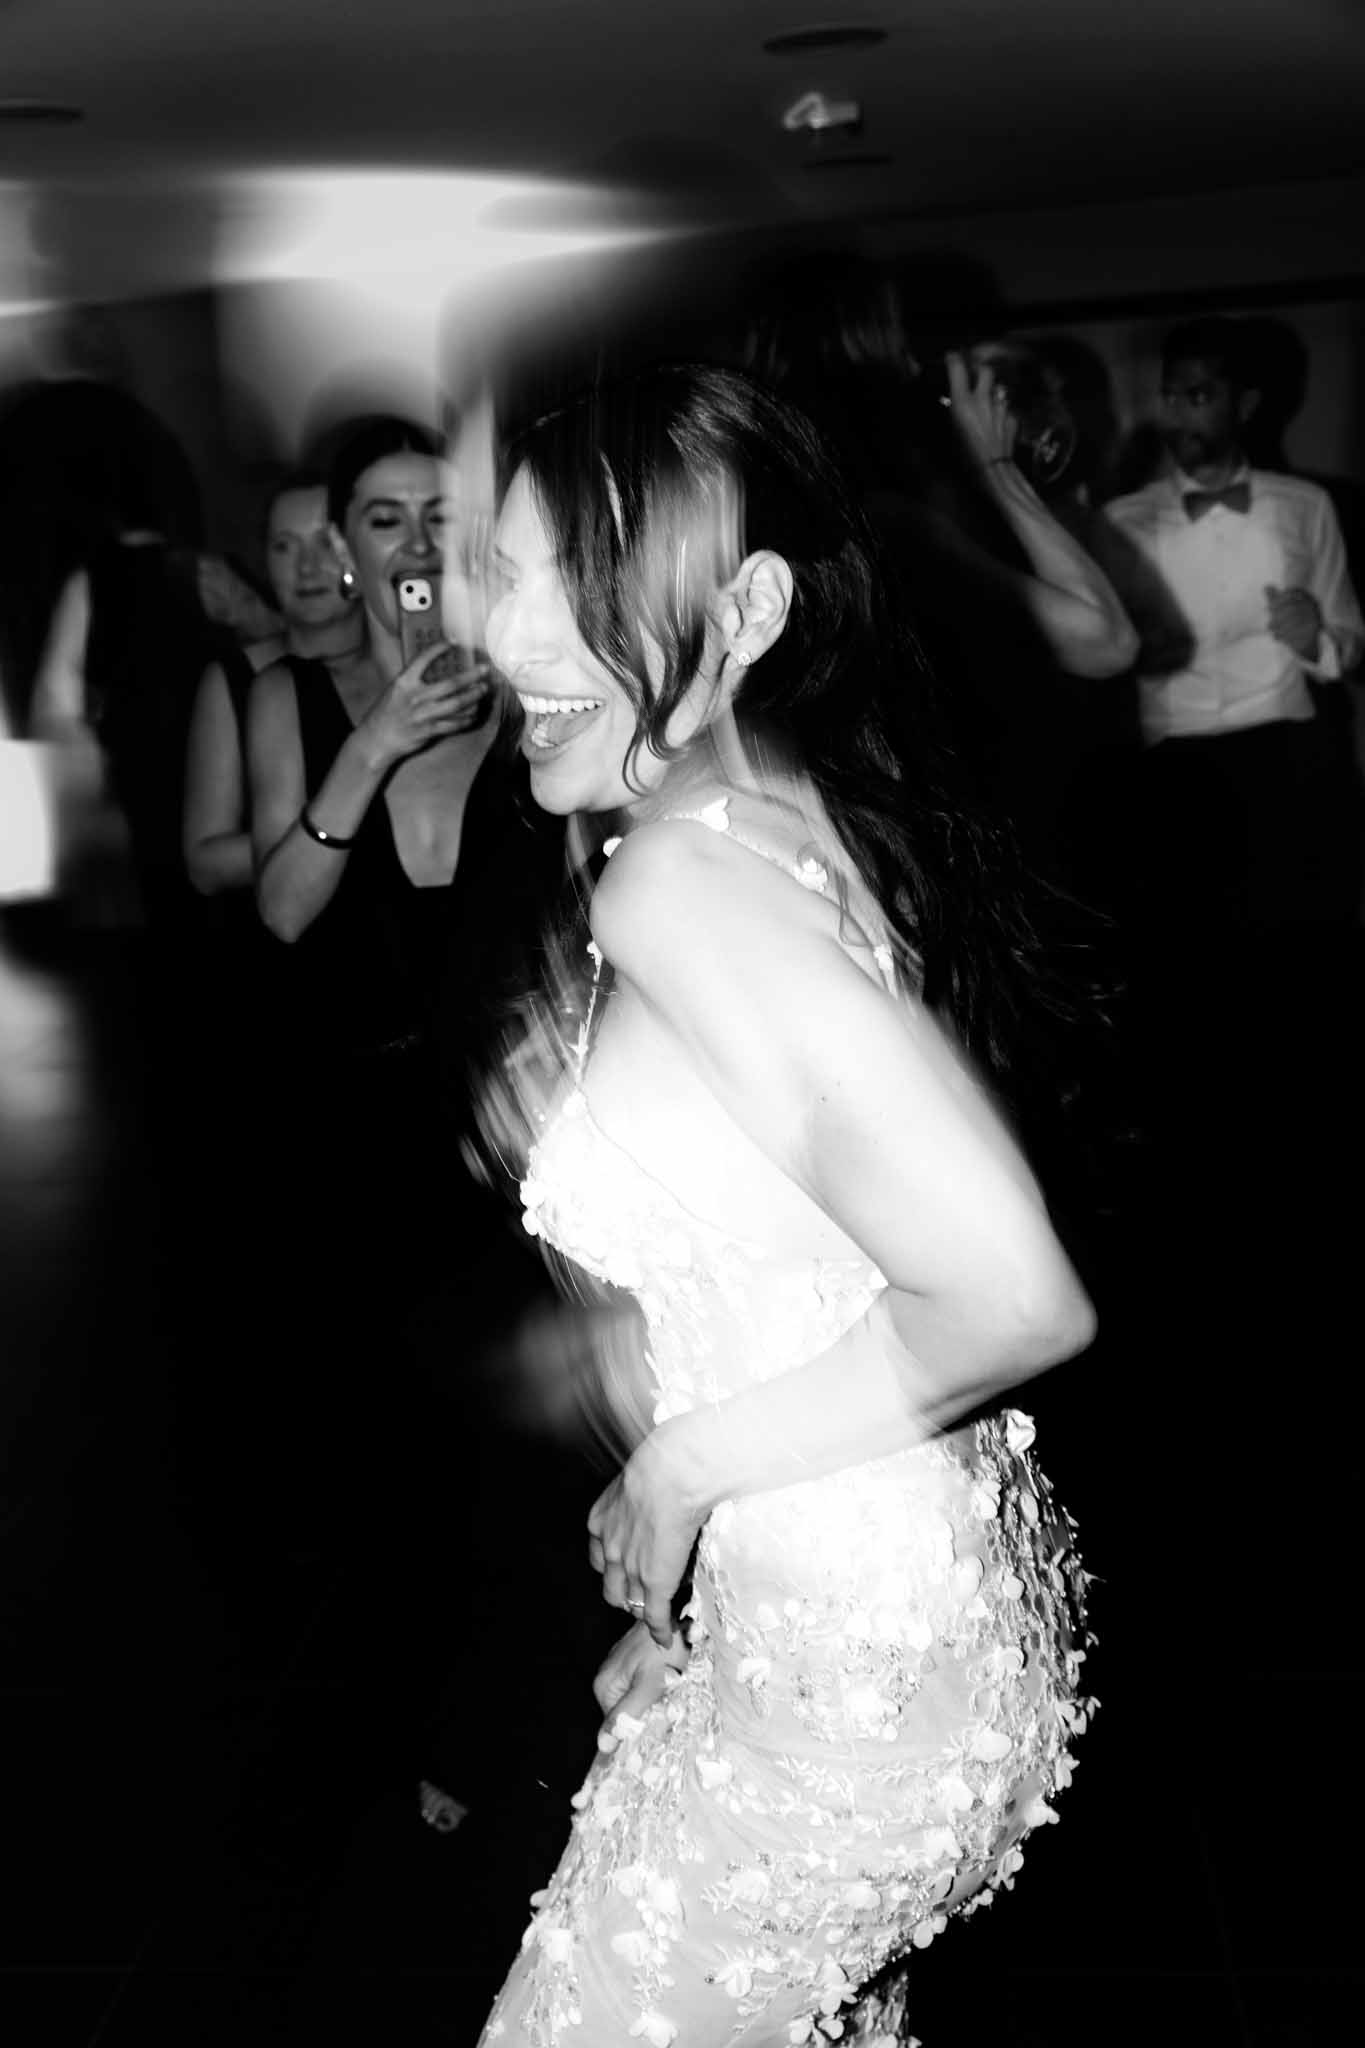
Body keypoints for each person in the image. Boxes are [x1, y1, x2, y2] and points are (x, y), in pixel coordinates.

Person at [474, 364, 1099, 2048]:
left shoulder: (680, 877)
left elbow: (1012, 1296)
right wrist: (707, 1620)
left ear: (745, 606)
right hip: (866, 1611)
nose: (510, 642)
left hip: (854, 1683)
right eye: (503, 576)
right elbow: (806, 1260)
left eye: (570, 581)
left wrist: (683, 1469)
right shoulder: (780, 818)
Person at [1100, 314, 1364, 936]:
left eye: (1198, 396)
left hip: (1285, 758)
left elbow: (1352, 635)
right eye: (1169, 395)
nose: (1177, 414)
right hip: (1169, 763)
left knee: (1292, 944)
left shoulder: (1308, 506)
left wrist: (1318, 641)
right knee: (1184, 954)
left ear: (1244, 404)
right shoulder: (1118, 519)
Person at [182, 470, 362, 898]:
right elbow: (203, 862)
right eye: (284, 546)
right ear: (264, 560)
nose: (307, 566)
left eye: (325, 542)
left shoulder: (400, 668)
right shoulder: (236, 679)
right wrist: (347, 826)